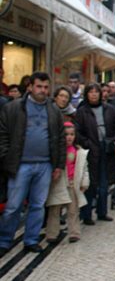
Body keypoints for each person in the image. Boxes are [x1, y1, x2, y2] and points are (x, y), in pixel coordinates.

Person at [0, 72, 66, 256]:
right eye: (39, 86)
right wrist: (6, 157)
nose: (43, 90)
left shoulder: (53, 110)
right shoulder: (14, 108)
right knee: (13, 205)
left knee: (38, 205)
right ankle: (4, 240)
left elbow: (60, 138)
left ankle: (31, 239)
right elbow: (3, 134)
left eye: (46, 87)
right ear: (30, 86)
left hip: (45, 165)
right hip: (21, 164)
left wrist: (58, 165)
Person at [75, 83, 115, 225]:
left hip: (106, 149)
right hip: (90, 150)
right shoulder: (82, 111)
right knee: (89, 184)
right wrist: (87, 143)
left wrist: (113, 140)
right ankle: (87, 214)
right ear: (87, 94)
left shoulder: (109, 109)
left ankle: (102, 212)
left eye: (96, 92)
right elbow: (77, 132)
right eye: (91, 92)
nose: (94, 94)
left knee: (104, 183)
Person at [45, 122, 89, 243]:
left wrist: (84, 182)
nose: (69, 137)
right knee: (54, 209)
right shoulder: (56, 150)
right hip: (58, 183)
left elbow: (84, 168)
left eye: (72, 134)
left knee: (73, 210)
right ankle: (52, 233)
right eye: (66, 134)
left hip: (72, 183)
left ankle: (74, 232)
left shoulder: (79, 151)